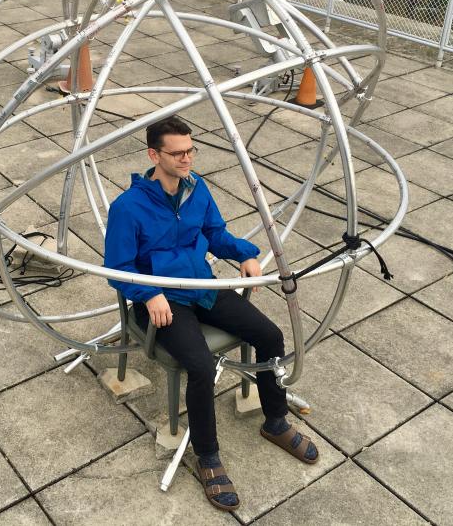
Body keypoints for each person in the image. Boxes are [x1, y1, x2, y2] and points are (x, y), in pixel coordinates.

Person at [104, 115, 318, 512]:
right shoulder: (127, 207)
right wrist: (148, 294)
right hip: (164, 303)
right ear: (154, 154)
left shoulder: (196, 188)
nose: (187, 159)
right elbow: (118, 267)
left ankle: (275, 421)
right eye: (178, 153)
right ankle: (208, 456)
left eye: (191, 150)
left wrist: (246, 254)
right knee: (201, 366)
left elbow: (216, 234)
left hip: (202, 289)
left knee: (271, 336)